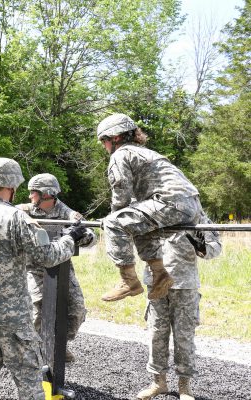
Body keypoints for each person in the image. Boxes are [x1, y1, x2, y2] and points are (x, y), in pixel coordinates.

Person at [0, 158, 87, 400]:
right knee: (27, 376)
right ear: (12, 185)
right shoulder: (17, 217)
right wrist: (70, 238)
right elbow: (46, 256)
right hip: (11, 315)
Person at [97, 113, 203, 302]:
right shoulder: (146, 152)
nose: (104, 147)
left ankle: (128, 281)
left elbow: (121, 191)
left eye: (103, 141)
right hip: (189, 204)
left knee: (115, 222)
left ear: (115, 138)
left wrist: (112, 218)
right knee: (137, 222)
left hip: (170, 202)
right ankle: (160, 274)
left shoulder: (121, 154)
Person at [136, 213, 221, 400]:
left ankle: (185, 387)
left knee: (184, 336)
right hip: (156, 281)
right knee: (156, 334)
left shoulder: (197, 215)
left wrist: (203, 248)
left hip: (185, 284)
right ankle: (159, 383)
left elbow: (216, 247)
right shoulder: (153, 212)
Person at [16, 173, 97, 362]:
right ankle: (34, 350)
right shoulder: (23, 211)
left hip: (61, 266)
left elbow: (90, 237)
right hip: (34, 267)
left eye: (33, 193)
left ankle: (59, 344)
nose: (30, 197)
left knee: (76, 309)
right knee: (38, 306)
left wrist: (80, 235)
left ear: (47, 194)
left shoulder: (67, 213)